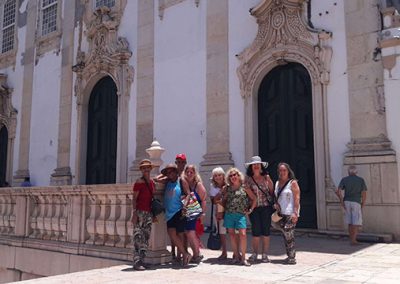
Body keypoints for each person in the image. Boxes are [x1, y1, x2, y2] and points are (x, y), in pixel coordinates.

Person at [219, 167, 256, 266]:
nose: (233, 177)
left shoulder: (244, 187)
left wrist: (250, 209)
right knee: (231, 235)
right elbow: (222, 200)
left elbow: (254, 199)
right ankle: (236, 256)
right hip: (229, 214)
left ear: (239, 176)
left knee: (242, 234)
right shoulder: (227, 188)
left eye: (235, 174)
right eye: (230, 175)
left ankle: (243, 258)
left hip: (240, 215)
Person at [244, 156, 274, 263]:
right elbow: (250, 195)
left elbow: (271, 192)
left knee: (266, 231)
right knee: (256, 231)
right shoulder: (248, 179)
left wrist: (269, 182)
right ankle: (255, 253)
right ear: (251, 167)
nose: (256, 166)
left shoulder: (266, 177)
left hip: (266, 207)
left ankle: (265, 254)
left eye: (258, 164)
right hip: (254, 208)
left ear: (261, 166)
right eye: (254, 165)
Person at [161, 163, 192, 266]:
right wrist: (164, 176)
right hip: (169, 212)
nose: (169, 174)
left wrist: (185, 206)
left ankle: (182, 256)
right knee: (172, 234)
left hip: (179, 210)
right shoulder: (167, 182)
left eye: (171, 171)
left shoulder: (181, 180)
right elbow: (156, 179)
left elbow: (188, 194)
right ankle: (185, 254)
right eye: (167, 172)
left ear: (176, 172)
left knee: (180, 234)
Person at [131, 159, 157, 270]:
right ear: (141, 170)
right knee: (138, 236)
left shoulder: (152, 183)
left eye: (148, 167)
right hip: (140, 212)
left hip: (148, 213)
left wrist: (153, 214)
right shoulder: (139, 182)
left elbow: (151, 199)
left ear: (150, 169)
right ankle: (136, 261)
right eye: (144, 168)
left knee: (146, 237)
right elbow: (134, 198)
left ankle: (142, 260)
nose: (146, 169)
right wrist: (134, 213)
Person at [274, 162, 301, 265]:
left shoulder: (292, 183)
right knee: (285, 235)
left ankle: (292, 257)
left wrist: (295, 212)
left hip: (291, 212)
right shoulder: (277, 183)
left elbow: (297, 197)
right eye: (280, 170)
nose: (282, 172)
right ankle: (289, 255)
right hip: (281, 213)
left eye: (284, 170)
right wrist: (276, 204)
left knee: (288, 232)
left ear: (288, 171)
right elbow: (277, 197)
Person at [336, 165, 367, 245]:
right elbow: (364, 193)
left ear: (348, 172)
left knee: (349, 222)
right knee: (355, 222)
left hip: (347, 202)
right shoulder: (360, 180)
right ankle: (354, 240)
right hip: (356, 202)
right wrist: (363, 203)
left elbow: (338, 191)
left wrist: (341, 201)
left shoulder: (344, 179)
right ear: (356, 172)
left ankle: (351, 239)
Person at [182, 164, 207, 263]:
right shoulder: (184, 184)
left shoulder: (198, 185)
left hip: (195, 213)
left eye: (191, 172)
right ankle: (196, 254)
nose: (189, 174)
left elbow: (204, 200)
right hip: (187, 213)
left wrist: (202, 213)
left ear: (195, 173)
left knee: (191, 233)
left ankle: (197, 254)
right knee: (189, 234)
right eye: (187, 172)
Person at [209, 166, 228, 260]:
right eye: (215, 175)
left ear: (223, 175)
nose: (218, 177)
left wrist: (219, 200)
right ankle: (224, 252)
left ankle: (236, 252)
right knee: (222, 232)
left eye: (219, 175)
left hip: (230, 211)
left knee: (234, 232)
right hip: (219, 212)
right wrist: (221, 193)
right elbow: (213, 201)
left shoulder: (229, 184)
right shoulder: (213, 187)